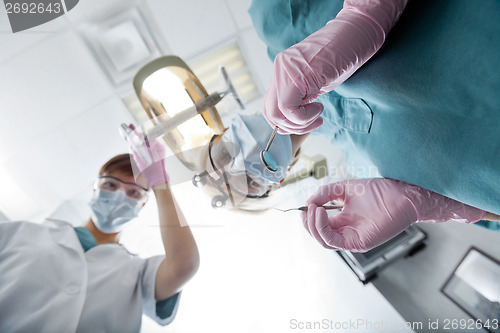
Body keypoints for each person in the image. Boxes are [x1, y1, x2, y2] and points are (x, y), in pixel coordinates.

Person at [246, 0, 500, 251]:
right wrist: (433, 204)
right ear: (280, 179)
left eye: (222, 155)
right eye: (250, 183)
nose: (243, 161)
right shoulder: (368, 175)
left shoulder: (277, 19)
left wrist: (365, 14)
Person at [0, 135, 199, 332]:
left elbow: (184, 266)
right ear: (94, 188)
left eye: (134, 192)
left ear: (143, 204)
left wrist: (160, 184)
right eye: (111, 185)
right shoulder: (19, 233)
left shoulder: (140, 274)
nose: (120, 195)